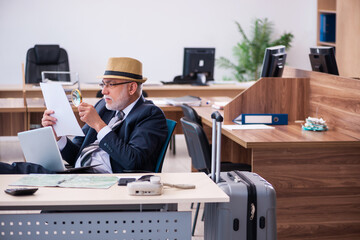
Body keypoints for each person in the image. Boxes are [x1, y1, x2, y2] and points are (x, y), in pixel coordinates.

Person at [0, 57, 168, 174]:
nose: (103, 91)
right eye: (103, 84)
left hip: (108, 181)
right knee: (28, 170)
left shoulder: (150, 115)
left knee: (30, 173)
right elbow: (77, 155)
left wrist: (99, 126)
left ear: (131, 88)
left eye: (111, 84)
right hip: (82, 173)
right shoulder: (104, 106)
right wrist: (59, 137)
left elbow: (133, 161)